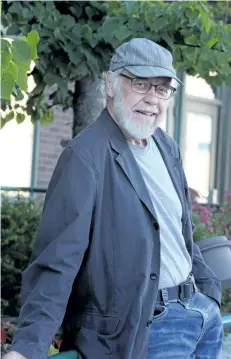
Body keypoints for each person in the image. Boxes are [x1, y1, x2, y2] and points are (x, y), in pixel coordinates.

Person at [4, 38, 223, 359]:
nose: (152, 99)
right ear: (110, 83)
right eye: (140, 83)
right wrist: (27, 347)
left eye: (162, 88)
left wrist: (208, 291)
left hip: (202, 318)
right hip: (147, 329)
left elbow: (180, 231)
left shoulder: (165, 145)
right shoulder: (85, 157)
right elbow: (57, 262)